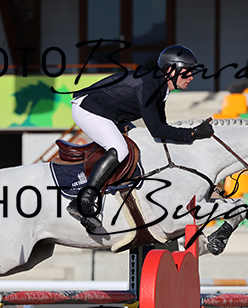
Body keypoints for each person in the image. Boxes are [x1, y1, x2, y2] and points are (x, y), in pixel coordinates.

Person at [66, 45, 213, 231]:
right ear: (170, 70)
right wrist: (192, 133)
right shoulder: (150, 86)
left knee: (140, 144)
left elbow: (162, 127)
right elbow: (157, 130)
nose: (191, 77)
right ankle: (83, 201)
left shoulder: (160, 86)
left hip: (109, 113)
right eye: (186, 72)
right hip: (88, 109)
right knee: (119, 150)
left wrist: (189, 135)